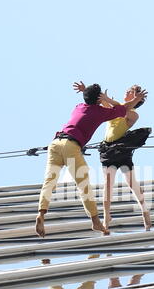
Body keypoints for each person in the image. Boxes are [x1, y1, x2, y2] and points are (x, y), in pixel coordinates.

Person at [36, 83, 145, 237]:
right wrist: (136, 99)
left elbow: (93, 99)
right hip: (71, 146)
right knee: (84, 183)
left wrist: (87, 91)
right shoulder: (100, 112)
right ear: (98, 100)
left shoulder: (78, 106)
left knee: (49, 181)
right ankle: (95, 220)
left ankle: (41, 213)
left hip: (54, 144)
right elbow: (123, 109)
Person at [73, 82, 151, 231]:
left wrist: (111, 100)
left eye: (131, 91)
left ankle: (145, 210)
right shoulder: (114, 108)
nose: (127, 91)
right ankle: (106, 219)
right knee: (107, 185)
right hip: (108, 151)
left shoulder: (133, 114)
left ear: (136, 98)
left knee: (131, 183)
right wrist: (86, 91)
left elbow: (122, 109)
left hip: (121, 151)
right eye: (128, 89)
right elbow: (100, 101)